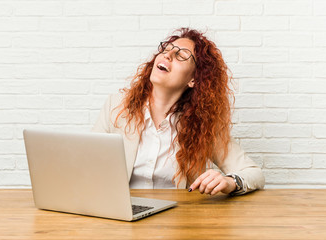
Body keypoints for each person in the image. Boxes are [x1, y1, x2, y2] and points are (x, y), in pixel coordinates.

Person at [92, 27, 265, 196]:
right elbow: (88, 163)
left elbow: (254, 173)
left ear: (193, 80)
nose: (167, 55)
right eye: (166, 50)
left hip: (177, 220)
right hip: (122, 215)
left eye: (180, 56)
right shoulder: (115, 107)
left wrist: (229, 182)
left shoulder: (203, 125)